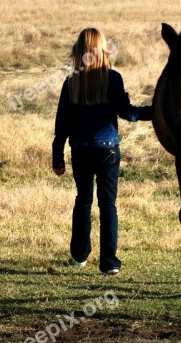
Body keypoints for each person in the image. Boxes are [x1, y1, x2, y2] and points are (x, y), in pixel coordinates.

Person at [52, 28, 152, 275]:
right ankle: (109, 262)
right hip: (108, 149)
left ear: (79, 52)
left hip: (80, 150)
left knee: (83, 200)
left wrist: (57, 157)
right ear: (103, 50)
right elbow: (127, 112)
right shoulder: (114, 79)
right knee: (108, 205)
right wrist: (155, 111)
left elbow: (62, 124)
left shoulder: (71, 83)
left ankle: (79, 254)